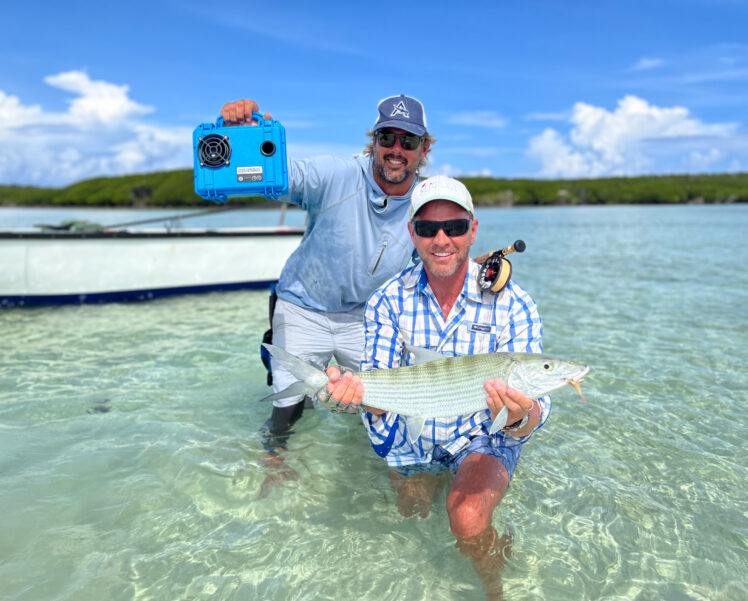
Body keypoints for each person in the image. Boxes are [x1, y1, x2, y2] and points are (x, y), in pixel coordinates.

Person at [325, 175, 550, 599]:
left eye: (455, 227)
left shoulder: (513, 302)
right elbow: (380, 395)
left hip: (481, 436)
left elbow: (535, 415)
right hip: (414, 438)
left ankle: (494, 587)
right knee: (412, 513)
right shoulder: (387, 300)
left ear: (474, 229)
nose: (441, 239)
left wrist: (521, 414)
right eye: (428, 228)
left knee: (466, 518)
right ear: (412, 233)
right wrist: (353, 398)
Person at [220, 95, 435, 464]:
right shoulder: (337, 175)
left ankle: (373, 468)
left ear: (423, 148)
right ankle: (274, 459)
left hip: (365, 317)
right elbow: (276, 177)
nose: (396, 149)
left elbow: (440, 260)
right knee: (287, 404)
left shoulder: (426, 202)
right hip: (303, 305)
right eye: (387, 138)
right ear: (374, 142)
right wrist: (244, 140)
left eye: (408, 141)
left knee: (378, 406)